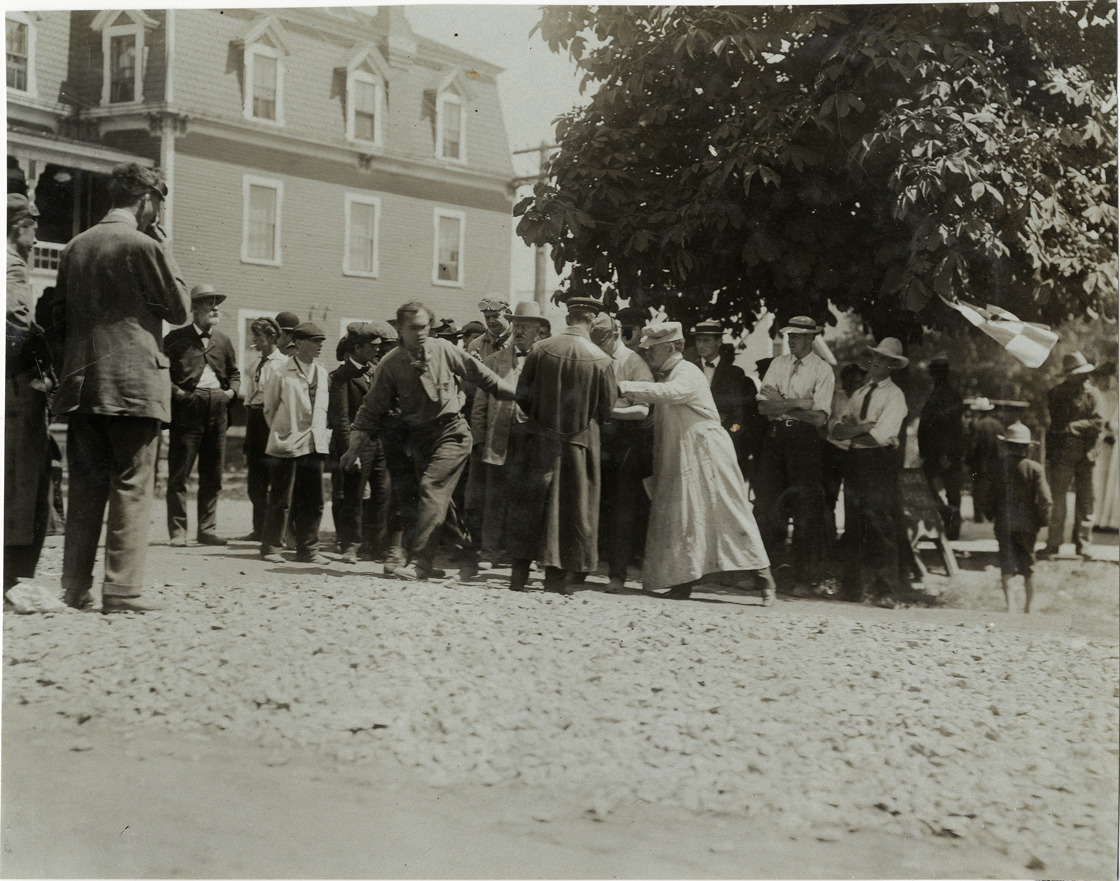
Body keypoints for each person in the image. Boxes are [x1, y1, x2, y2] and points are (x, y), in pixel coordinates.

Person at [52, 162, 190, 613]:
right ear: (147, 199)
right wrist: (167, 251)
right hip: (134, 386)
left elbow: (57, 318)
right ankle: (122, 590)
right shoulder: (143, 245)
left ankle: (75, 587)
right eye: (158, 203)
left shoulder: (75, 245)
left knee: (84, 488)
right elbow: (179, 310)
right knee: (132, 484)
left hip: (83, 385)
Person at [341, 302, 516, 581]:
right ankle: (468, 559)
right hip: (420, 440)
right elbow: (370, 410)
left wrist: (521, 397)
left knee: (431, 488)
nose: (421, 333)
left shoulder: (444, 349)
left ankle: (420, 564)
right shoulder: (390, 364)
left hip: (452, 433)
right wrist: (353, 449)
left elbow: (484, 377)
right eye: (414, 328)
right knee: (438, 502)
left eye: (424, 327)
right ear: (401, 329)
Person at [617, 322, 776, 603]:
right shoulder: (670, 374)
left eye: (653, 349)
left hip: (708, 453)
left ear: (669, 348)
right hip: (685, 454)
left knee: (730, 513)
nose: (649, 354)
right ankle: (683, 583)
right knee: (684, 518)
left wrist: (622, 387)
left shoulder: (687, 371)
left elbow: (673, 395)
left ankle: (765, 582)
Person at [504, 297, 617, 593]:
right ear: (592, 322)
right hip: (578, 447)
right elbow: (606, 411)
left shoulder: (540, 349)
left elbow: (522, 397)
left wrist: (542, 418)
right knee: (569, 511)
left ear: (568, 318)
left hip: (538, 440)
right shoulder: (603, 360)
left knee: (530, 507)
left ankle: (518, 575)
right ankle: (554, 580)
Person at [467, 301, 550, 575]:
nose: (520, 331)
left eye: (527, 326)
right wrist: (480, 440)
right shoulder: (493, 361)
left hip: (533, 440)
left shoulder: (547, 361)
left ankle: (530, 555)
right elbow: (480, 406)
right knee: (495, 497)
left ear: (538, 330)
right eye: (517, 325)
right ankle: (489, 552)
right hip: (500, 436)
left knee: (531, 499)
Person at [754, 315, 834, 593]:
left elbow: (819, 418)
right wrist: (801, 402)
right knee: (765, 507)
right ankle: (763, 576)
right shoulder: (778, 364)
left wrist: (783, 403)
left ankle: (802, 578)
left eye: (797, 336)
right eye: (789, 335)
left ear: (811, 338)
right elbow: (763, 407)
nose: (791, 340)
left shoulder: (823, 370)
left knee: (804, 510)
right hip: (776, 438)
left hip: (804, 441)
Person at [829, 338, 909, 605]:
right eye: (875, 356)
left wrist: (857, 432)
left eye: (884, 359)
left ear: (892, 365)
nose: (876, 362)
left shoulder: (894, 396)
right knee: (853, 524)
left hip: (878, 463)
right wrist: (863, 428)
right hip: (854, 460)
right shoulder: (860, 394)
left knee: (879, 524)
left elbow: (879, 437)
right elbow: (837, 430)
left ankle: (887, 591)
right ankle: (852, 588)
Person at [163, 284, 241, 547]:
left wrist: (231, 393)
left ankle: (207, 530)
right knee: (179, 473)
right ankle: (178, 532)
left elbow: (234, 372)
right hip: (187, 409)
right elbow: (160, 372)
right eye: (209, 303)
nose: (215, 308)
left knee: (213, 474)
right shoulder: (175, 339)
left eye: (217, 303)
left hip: (218, 408)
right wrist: (178, 394)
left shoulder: (224, 340)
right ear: (194, 308)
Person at [5, 193, 54, 595]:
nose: (36, 240)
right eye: (33, 229)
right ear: (19, 227)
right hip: (15, 389)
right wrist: (44, 349)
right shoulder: (13, 266)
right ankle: (12, 575)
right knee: (24, 481)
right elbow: (16, 325)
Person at [590, 311, 655, 593]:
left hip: (625, 442)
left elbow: (643, 410)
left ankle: (617, 575)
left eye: (602, 341)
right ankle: (580, 570)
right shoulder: (593, 357)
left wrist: (608, 411)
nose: (598, 346)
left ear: (615, 335)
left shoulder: (634, 362)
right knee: (592, 505)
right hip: (596, 437)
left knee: (621, 511)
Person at [260, 323, 331, 565]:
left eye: (321, 341)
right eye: (314, 341)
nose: (319, 345)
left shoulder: (322, 372)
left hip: (314, 443)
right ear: (299, 343)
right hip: (287, 442)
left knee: (313, 499)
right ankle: (271, 547)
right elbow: (269, 408)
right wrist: (284, 430)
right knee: (281, 498)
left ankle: (308, 549)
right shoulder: (281, 371)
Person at [328, 321, 397, 564]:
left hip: (380, 442)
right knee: (353, 495)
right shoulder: (341, 376)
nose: (377, 350)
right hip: (358, 444)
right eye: (372, 346)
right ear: (357, 348)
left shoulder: (376, 371)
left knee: (382, 494)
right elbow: (342, 418)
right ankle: (351, 545)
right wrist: (351, 451)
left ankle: (377, 546)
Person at [1041, 352, 1106, 558]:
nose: (1083, 378)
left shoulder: (1093, 395)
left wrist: (1072, 427)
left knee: (1086, 500)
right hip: (1062, 453)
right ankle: (1054, 543)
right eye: (1078, 375)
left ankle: (1083, 544)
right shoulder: (1057, 394)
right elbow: (1055, 422)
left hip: (1087, 454)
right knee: (1058, 501)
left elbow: (1099, 423)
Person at [988, 423, 1052, 613]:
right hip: (1027, 526)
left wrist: (992, 514)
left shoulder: (996, 467)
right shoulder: (1035, 468)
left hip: (1003, 523)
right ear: (1027, 447)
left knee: (1006, 565)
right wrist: (1042, 520)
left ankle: (1010, 606)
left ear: (1006, 445)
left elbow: (986, 496)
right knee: (1029, 566)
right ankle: (1028, 608)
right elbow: (1045, 500)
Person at [238, 317, 287, 542]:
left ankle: (275, 532)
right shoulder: (254, 363)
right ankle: (259, 529)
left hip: (272, 420)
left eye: (258, 336)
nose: (254, 340)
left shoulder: (283, 364)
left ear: (271, 337)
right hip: (254, 419)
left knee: (275, 476)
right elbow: (250, 395)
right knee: (255, 480)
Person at [686, 319, 753, 478]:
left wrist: (729, 434)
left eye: (706, 340)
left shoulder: (734, 373)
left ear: (719, 342)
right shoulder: (688, 370)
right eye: (698, 340)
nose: (701, 345)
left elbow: (738, 414)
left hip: (725, 436)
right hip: (692, 435)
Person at [917, 356, 965, 539]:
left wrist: (946, 453)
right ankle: (950, 519)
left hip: (943, 453)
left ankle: (951, 521)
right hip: (938, 452)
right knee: (935, 486)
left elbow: (950, 426)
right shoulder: (941, 393)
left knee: (940, 487)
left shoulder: (947, 395)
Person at [823, 362, 867, 548]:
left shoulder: (866, 400)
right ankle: (829, 541)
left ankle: (851, 542)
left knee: (854, 499)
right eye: (855, 381)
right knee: (829, 496)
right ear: (845, 381)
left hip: (855, 453)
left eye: (861, 381)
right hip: (833, 451)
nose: (859, 384)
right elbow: (825, 423)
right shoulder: (836, 398)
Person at [966, 397, 1003, 523]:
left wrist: (968, 461)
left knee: (978, 489)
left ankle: (979, 516)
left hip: (980, 464)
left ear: (978, 411)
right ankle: (992, 515)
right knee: (994, 489)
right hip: (996, 464)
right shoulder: (998, 424)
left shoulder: (977, 425)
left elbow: (972, 446)